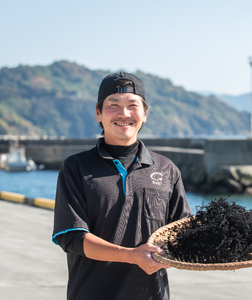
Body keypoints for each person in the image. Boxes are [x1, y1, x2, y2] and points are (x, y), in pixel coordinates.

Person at [52, 72, 192, 300]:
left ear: (145, 114)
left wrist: (239, 224)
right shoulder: (76, 167)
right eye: (113, 105)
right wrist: (132, 255)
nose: (124, 114)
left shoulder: (166, 169)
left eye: (132, 105)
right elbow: (71, 237)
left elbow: (184, 233)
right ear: (98, 113)